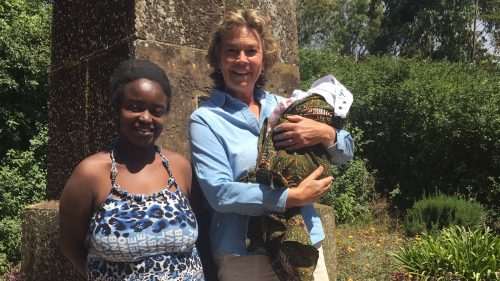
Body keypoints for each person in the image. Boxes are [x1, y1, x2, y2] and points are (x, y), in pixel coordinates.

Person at [189, 8, 354, 281]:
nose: (242, 60)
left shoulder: (287, 105)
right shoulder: (206, 119)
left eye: (251, 51)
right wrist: (293, 197)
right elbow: (220, 192)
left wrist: (325, 133)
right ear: (218, 60)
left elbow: (345, 152)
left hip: (304, 243)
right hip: (244, 256)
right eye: (231, 51)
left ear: (264, 60)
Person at [59, 59, 205, 280]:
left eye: (156, 111)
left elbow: (202, 233)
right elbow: (69, 244)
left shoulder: (180, 167)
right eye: (135, 107)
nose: (146, 118)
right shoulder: (91, 173)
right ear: (117, 108)